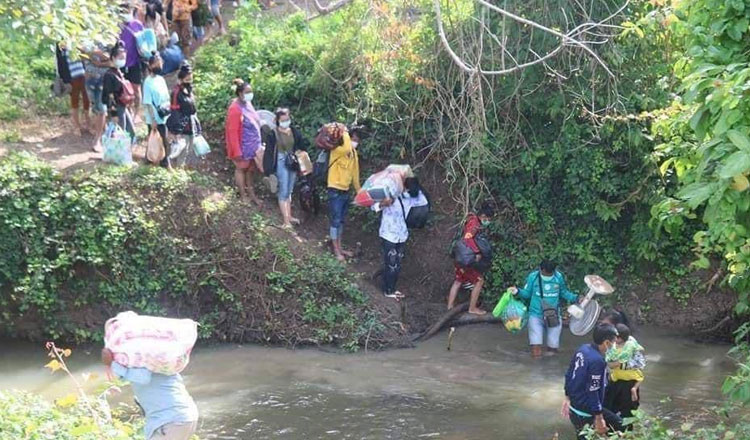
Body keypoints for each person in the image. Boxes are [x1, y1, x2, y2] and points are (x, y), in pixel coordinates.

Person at [101, 348, 198, 440]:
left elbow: (142, 378)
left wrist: (112, 363)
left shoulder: (145, 356)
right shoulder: (158, 357)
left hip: (171, 419)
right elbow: (127, 376)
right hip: (180, 416)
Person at [562, 323, 624, 440]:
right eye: (614, 342)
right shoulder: (597, 361)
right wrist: (599, 417)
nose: (615, 345)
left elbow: (570, 373)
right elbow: (593, 390)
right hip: (585, 409)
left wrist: (567, 396)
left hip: (575, 405)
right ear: (606, 342)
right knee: (621, 424)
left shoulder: (582, 349)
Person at [373, 177, 428, 300]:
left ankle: (391, 288)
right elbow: (374, 207)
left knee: (397, 264)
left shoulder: (411, 197)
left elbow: (424, 203)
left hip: (401, 234)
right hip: (388, 234)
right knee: (391, 263)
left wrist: (417, 191)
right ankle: (388, 291)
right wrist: (384, 203)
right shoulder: (389, 195)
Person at [511, 260, 579, 358]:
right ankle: (537, 369)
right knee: (536, 347)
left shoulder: (558, 277)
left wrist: (576, 298)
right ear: (540, 269)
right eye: (546, 273)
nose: (548, 275)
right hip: (536, 315)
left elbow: (563, 292)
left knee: (553, 349)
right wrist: (517, 291)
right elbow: (527, 294)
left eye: (550, 273)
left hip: (553, 316)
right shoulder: (533, 277)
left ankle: (550, 369)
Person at [317, 123, 361, 262]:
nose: (355, 143)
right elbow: (347, 146)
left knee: (341, 221)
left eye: (357, 141)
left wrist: (359, 192)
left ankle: (339, 247)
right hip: (334, 189)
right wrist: (345, 132)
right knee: (335, 221)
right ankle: (336, 250)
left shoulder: (353, 154)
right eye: (354, 139)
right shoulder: (337, 150)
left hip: (345, 191)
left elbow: (355, 174)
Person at [446, 203, 495, 315]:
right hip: (467, 259)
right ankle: (472, 308)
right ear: (482, 215)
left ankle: (449, 308)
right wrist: (477, 252)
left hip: (460, 257)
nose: (488, 221)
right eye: (487, 219)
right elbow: (468, 238)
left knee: (458, 280)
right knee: (479, 281)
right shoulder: (474, 224)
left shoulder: (470, 219)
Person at [264, 108, 308, 228]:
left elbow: (301, 146)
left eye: (287, 119)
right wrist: (268, 171)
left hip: (292, 161)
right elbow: (268, 152)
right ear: (278, 120)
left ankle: (289, 216)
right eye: (283, 120)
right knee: (283, 190)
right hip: (280, 161)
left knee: (289, 190)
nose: (286, 122)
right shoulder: (273, 134)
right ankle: (285, 221)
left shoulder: (294, 131)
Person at [225, 79, 262, 205]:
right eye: (247, 92)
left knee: (250, 171)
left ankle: (252, 194)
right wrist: (236, 151)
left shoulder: (248, 104)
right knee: (241, 169)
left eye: (251, 91)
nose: (250, 94)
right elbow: (232, 132)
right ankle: (242, 195)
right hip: (242, 146)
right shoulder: (235, 108)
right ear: (240, 93)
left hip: (253, 146)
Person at [604, 323, 645, 425]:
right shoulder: (630, 344)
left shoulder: (623, 349)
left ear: (619, 338)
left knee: (621, 411)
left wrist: (617, 363)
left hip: (622, 382)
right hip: (624, 382)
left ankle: (619, 431)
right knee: (617, 410)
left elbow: (610, 364)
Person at [102, 42, 136, 142]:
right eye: (120, 58)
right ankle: (119, 155)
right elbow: (109, 96)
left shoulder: (119, 72)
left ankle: (127, 153)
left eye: (124, 58)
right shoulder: (109, 75)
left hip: (123, 106)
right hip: (117, 108)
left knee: (130, 132)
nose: (123, 60)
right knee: (120, 133)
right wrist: (114, 114)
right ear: (112, 58)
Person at [142, 52, 172, 168]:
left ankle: (151, 160)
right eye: (156, 64)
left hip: (163, 114)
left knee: (161, 138)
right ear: (150, 66)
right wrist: (153, 120)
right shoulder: (148, 82)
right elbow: (148, 103)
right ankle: (164, 162)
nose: (158, 67)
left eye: (160, 64)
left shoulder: (161, 79)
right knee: (158, 138)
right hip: (154, 116)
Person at [167, 62, 199, 167]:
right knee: (181, 150)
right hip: (181, 126)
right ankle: (177, 171)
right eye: (187, 78)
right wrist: (177, 132)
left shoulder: (189, 90)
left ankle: (182, 169)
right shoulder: (177, 92)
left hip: (191, 124)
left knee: (189, 150)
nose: (189, 80)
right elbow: (175, 112)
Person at [56, 42, 91, 136]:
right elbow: (59, 62)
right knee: (74, 100)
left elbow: (86, 54)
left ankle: (88, 124)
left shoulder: (77, 40)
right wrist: (63, 78)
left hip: (83, 73)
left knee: (87, 99)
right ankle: (76, 126)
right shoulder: (60, 44)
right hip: (71, 76)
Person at [119, 5, 145, 120]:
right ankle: (128, 111)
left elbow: (144, 42)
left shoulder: (137, 24)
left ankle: (137, 113)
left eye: (127, 10)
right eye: (123, 11)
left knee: (136, 88)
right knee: (124, 89)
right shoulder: (116, 26)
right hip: (121, 64)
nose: (125, 13)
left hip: (135, 62)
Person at [83, 42, 111, 151]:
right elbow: (81, 52)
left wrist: (96, 55)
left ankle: (97, 139)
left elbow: (114, 60)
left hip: (103, 80)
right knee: (95, 108)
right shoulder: (87, 36)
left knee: (101, 109)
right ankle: (105, 131)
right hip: (90, 78)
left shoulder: (110, 38)